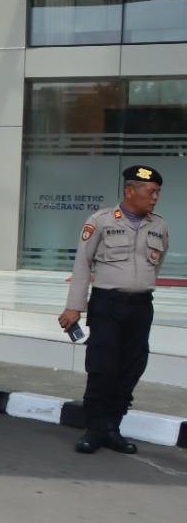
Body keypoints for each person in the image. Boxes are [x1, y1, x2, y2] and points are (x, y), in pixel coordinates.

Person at [60, 165, 170, 455]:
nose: (155, 197)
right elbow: (82, 265)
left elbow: (156, 263)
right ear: (129, 191)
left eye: (158, 192)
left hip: (141, 307)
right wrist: (74, 307)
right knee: (102, 368)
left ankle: (112, 428)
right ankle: (93, 430)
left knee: (131, 368)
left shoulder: (158, 225)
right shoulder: (100, 221)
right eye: (150, 192)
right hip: (107, 305)